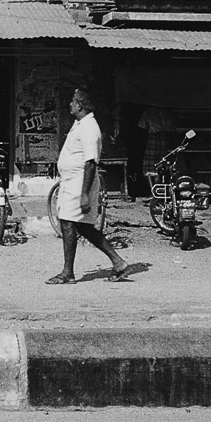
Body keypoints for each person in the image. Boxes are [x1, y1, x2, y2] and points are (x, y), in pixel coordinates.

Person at [47, 87, 131, 285]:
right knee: (83, 226)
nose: (70, 105)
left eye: (73, 102)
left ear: (80, 105)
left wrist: (84, 194)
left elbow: (91, 162)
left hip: (79, 184)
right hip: (72, 183)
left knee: (68, 222)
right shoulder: (80, 124)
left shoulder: (89, 128)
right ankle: (118, 262)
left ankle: (68, 273)